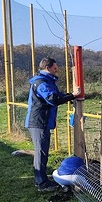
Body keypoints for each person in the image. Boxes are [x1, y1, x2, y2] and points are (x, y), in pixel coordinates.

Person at [24, 58, 76, 192]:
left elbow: (58, 96)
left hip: (43, 122)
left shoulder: (48, 81)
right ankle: (42, 183)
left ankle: (42, 179)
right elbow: (53, 99)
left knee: (42, 151)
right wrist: (73, 95)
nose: (57, 69)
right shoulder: (41, 83)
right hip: (38, 122)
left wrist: (71, 96)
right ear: (47, 68)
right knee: (41, 152)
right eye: (55, 67)